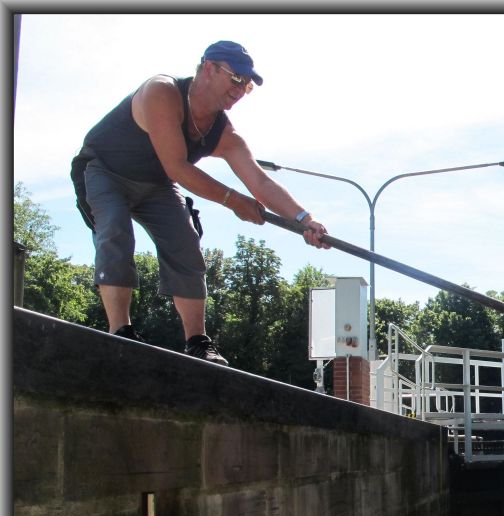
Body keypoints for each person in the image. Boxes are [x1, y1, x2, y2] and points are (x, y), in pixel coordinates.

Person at [71, 40, 330, 366]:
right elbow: (177, 167)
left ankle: (197, 341)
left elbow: (260, 182)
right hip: (105, 171)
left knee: (185, 240)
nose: (240, 90)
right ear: (209, 68)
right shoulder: (162, 92)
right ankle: (120, 332)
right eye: (236, 79)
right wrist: (234, 201)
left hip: (156, 185)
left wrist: (304, 219)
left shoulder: (225, 134)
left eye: (247, 86)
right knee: (115, 230)